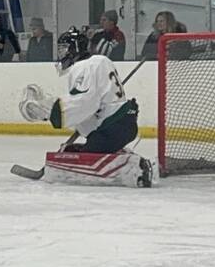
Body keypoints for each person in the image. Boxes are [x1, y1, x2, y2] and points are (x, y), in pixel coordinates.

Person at [22, 28, 152, 187]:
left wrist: (53, 113)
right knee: (77, 149)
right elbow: (93, 104)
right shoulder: (99, 61)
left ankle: (135, 167)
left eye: (63, 49)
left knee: (83, 158)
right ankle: (122, 155)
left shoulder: (83, 67)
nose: (61, 54)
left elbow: (84, 102)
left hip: (112, 129)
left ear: (74, 48)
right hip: (120, 124)